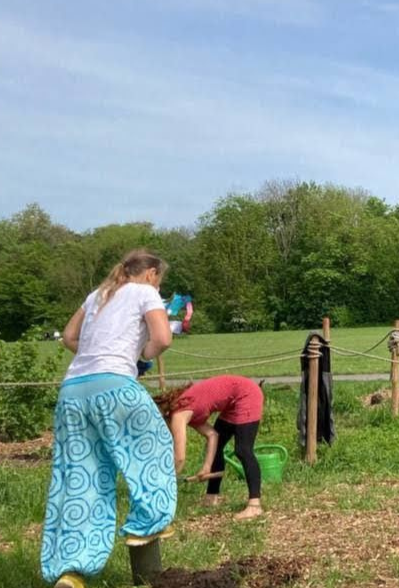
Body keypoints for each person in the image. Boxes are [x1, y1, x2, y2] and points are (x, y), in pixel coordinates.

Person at [41, 250, 177, 588]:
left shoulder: (97, 295)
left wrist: (96, 353)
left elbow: (69, 338)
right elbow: (162, 338)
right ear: (151, 274)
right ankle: (147, 523)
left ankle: (71, 572)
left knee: (82, 479)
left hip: (72, 392)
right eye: (159, 280)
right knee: (153, 451)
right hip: (115, 384)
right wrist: (140, 357)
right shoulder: (146, 292)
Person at [153, 374, 266, 520]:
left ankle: (254, 505)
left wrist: (166, 482)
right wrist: (206, 467)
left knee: (243, 450)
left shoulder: (178, 415)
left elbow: (179, 459)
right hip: (233, 400)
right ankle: (211, 497)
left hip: (247, 394)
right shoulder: (184, 409)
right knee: (218, 444)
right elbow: (213, 436)